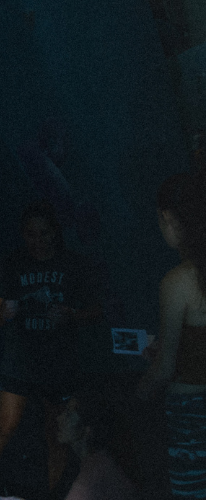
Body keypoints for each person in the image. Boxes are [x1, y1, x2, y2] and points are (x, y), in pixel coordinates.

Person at [0, 201, 103, 495]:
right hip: (20, 360)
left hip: (58, 361)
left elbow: (97, 311)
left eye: (44, 234)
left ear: (55, 233)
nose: (38, 241)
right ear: (23, 234)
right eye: (31, 234)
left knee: (55, 435)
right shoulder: (11, 263)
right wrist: (4, 312)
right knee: (4, 426)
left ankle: (54, 494)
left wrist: (71, 315)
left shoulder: (73, 264)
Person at [136, 172, 206, 498]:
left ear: (169, 218)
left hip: (191, 415)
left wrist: (132, 400)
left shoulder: (178, 281)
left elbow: (163, 371)